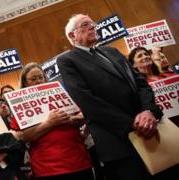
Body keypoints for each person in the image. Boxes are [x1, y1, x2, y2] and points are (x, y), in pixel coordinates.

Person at [57, 14, 163, 180]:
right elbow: (87, 101)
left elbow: (141, 83)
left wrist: (149, 111)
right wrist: (132, 124)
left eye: (93, 24)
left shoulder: (112, 51)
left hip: (150, 128)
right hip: (118, 140)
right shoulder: (68, 60)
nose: (93, 27)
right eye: (86, 25)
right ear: (72, 35)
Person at [11, 62, 93, 180]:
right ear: (24, 83)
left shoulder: (60, 94)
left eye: (41, 77)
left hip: (79, 161)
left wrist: (69, 119)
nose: (38, 81)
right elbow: (23, 136)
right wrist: (50, 123)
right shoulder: (19, 107)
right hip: (48, 168)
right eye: (33, 79)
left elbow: (83, 115)